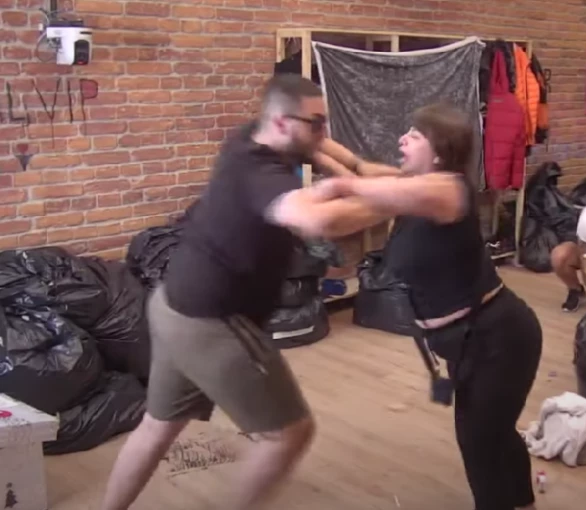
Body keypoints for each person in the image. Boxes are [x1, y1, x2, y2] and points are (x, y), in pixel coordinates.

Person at [99, 74, 394, 510]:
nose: (323, 134)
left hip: (173, 306)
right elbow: (317, 221)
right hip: (211, 323)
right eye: (316, 123)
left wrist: (358, 168)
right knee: (290, 434)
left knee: (158, 427)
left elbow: (321, 148)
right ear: (281, 123)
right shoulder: (262, 174)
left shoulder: (250, 137)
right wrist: (401, 199)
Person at [316, 103, 543, 510]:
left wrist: (304, 201)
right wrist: (311, 145)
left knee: (480, 441)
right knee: (490, 433)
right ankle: (522, 504)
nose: (402, 138)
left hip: (499, 338)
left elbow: (357, 187)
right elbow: (360, 170)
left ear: (439, 153)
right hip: (466, 342)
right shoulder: (414, 187)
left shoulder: (448, 191)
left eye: (415, 135)